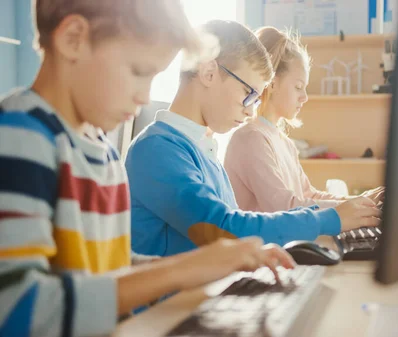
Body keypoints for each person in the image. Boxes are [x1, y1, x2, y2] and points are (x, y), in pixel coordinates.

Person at [0, 3, 293, 336]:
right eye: (139, 71)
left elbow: (110, 266)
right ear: (74, 38)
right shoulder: (21, 138)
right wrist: (180, 270)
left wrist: (206, 264)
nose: (145, 96)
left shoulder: (101, 150)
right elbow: (15, 307)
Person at [125, 20, 381, 257]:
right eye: (248, 94)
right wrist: (331, 218)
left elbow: (237, 229)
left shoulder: (204, 152)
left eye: (256, 99)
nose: (250, 110)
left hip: (210, 293)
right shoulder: (157, 150)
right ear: (208, 73)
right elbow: (225, 229)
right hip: (175, 305)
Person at [224, 26, 384, 213]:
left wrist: (360, 200)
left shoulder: (284, 142)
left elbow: (309, 196)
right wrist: (355, 206)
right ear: (273, 83)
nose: (305, 97)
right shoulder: (251, 138)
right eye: (298, 87)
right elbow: (284, 207)